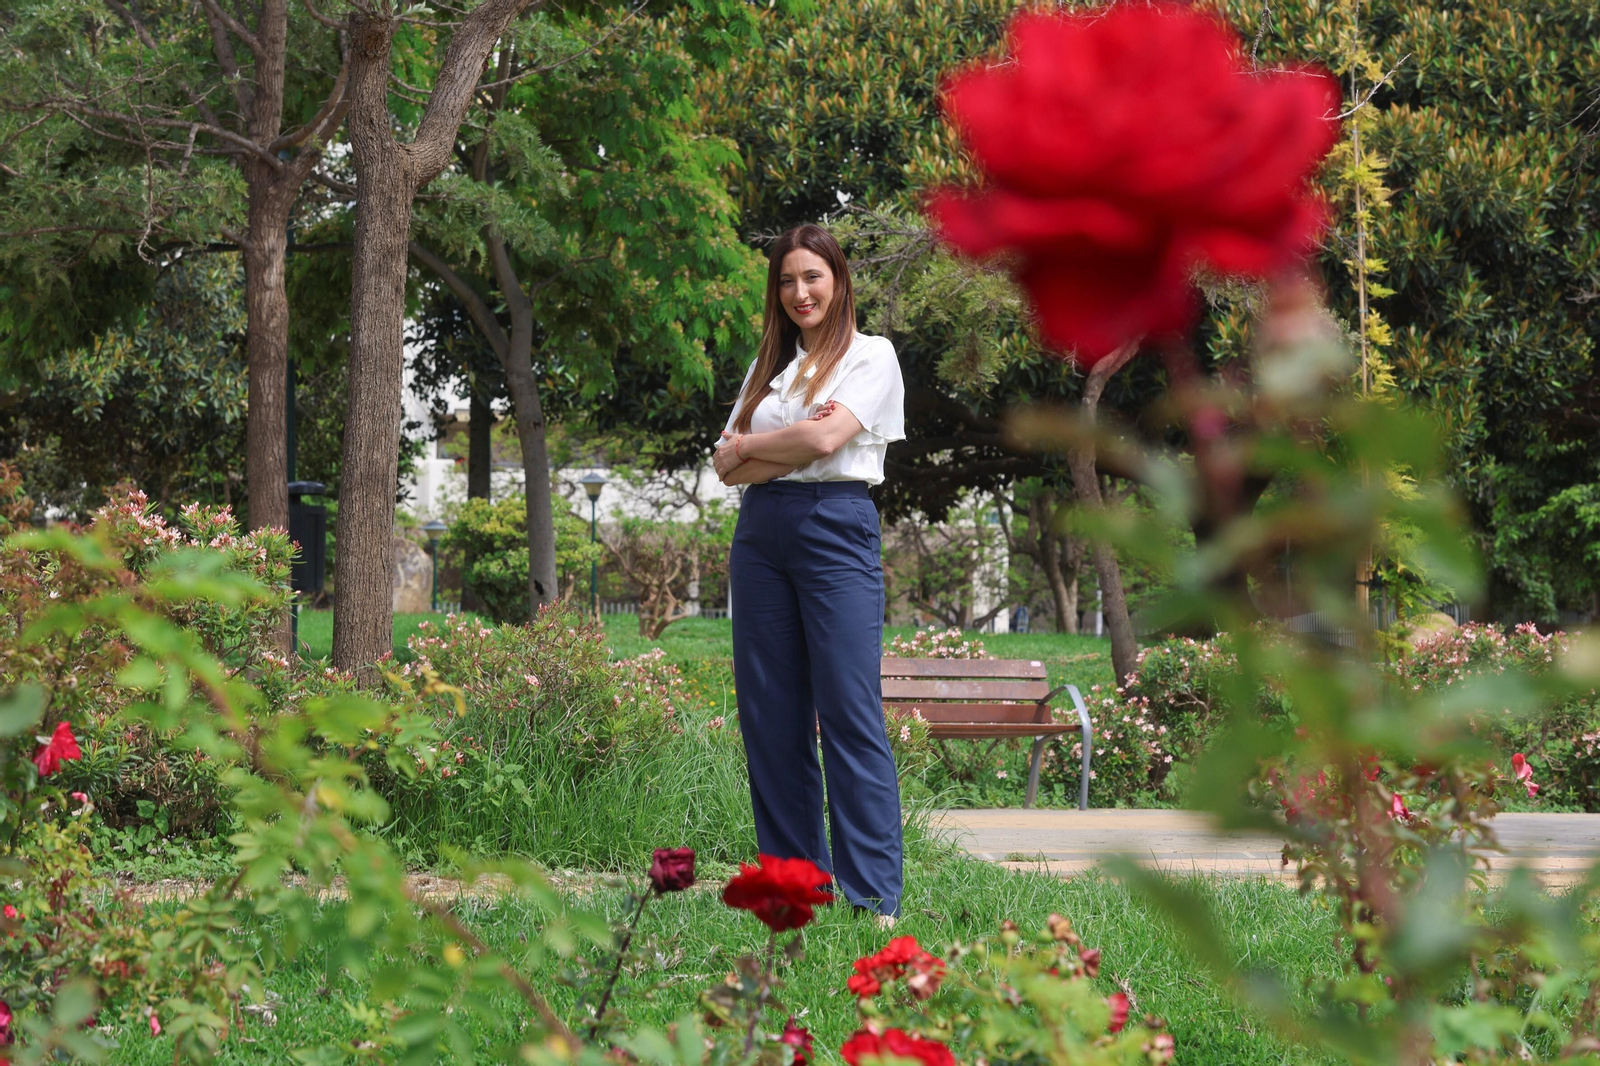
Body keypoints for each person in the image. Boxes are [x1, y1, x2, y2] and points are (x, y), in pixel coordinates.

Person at [712, 223, 905, 922]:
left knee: (849, 711)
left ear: (839, 280)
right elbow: (725, 467)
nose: (800, 292)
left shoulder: (871, 357)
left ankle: (873, 896)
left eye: (812, 277)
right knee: (771, 716)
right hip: (761, 534)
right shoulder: (772, 368)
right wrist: (780, 445)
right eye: (787, 281)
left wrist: (760, 446)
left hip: (836, 524)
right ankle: (798, 887)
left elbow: (826, 440)